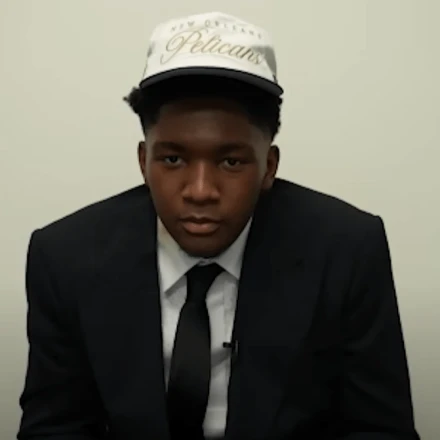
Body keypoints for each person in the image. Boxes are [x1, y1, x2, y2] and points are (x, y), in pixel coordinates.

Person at [18, 11, 419, 440]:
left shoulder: (347, 252)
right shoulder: (66, 258)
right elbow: (55, 428)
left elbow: (379, 430)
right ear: (143, 161)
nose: (200, 191)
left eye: (231, 161)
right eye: (173, 159)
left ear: (269, 166)